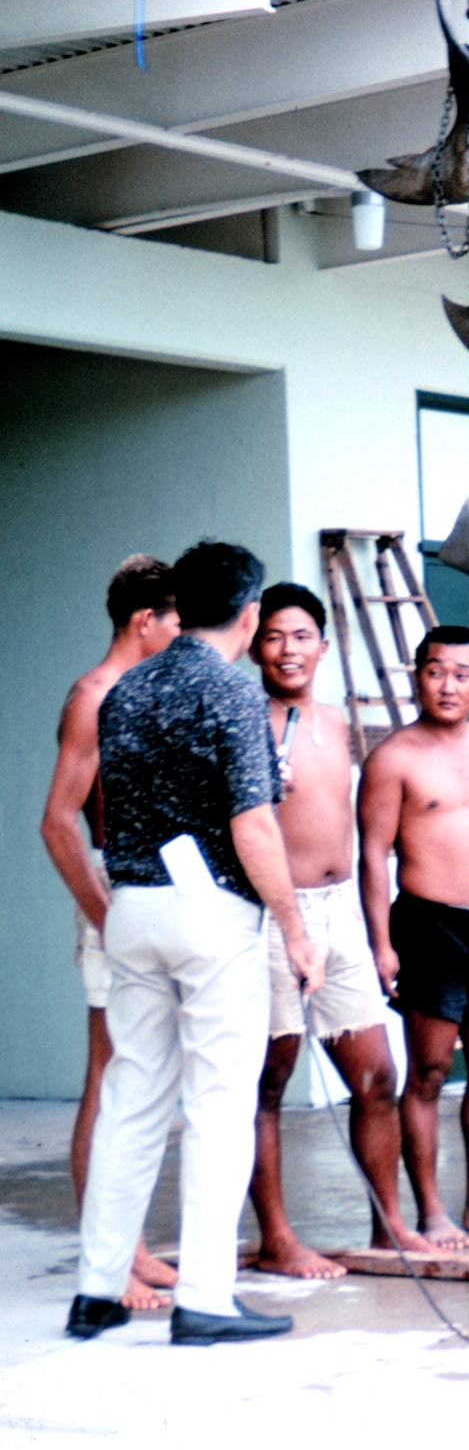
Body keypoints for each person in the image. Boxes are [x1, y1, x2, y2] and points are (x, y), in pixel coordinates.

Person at [66, 541, 325, 1345]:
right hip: (211, 911)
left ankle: (97, 1290)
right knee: (218, 1105)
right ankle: (206, 1299)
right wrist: (293, 924)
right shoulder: (235, 695)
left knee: (131, 1100)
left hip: (131, 904)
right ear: (249, 614)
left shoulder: (125, 690)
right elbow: (251, 822)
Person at [248, 582, 433, 1278]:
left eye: (300, 636)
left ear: (323, 646)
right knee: (267, 1083)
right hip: (270, 914)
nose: (287, 649)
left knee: (378, 1076)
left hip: (339, 915)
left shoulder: (337, 723)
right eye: (273, 636)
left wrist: (379, 933)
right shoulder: (241, 718)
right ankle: (277, 1239)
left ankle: (388, 1227)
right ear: (254, 646)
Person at [40, 555, 182, 1311]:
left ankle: (129, 1244)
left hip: (155, 894)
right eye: (175, 622)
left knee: (146, 1079)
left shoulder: (146, 693)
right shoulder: (94, 697)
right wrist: (107, 917)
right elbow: (58, 821)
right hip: (116, 896)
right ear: (144, 622)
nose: (182, 636)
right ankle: (108, 1260)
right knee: (110, 1076)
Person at [359, 625, 469, 1247]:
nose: (446, 685)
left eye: (460, 673)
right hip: (427, 924)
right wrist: (381, 943)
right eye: (434, 671)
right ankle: (430, 1212)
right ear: (416, 676)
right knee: (428, 1072)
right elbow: (372, 855)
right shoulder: (394, 757)